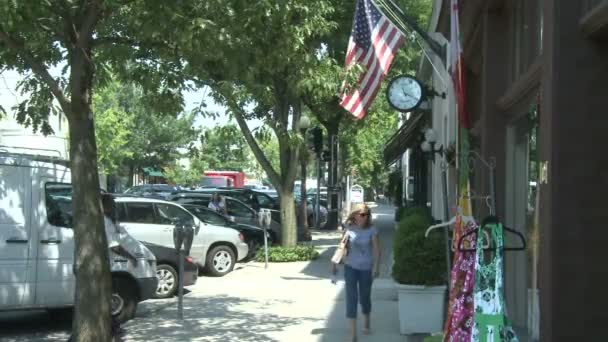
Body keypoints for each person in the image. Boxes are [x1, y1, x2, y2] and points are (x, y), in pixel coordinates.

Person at [332, 203, 380, 342]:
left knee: (364, 298)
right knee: (351, 298)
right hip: (350, 267)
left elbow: (377, 250)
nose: (364, 217)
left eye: (366, 215)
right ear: (355, 215)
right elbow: (342, 245)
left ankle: (367, 319)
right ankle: (352, 334)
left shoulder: (372, 230)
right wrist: (337, 257)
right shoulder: (348, 228)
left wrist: (376, 267)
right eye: (361, 214)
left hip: (366, 268)